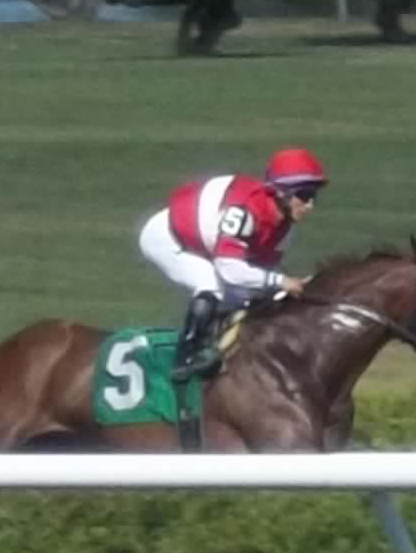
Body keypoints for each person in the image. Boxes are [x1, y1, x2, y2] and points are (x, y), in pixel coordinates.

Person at [141, 146, 329, 379]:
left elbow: (259, 272)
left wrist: (285, 287)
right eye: (304, 196)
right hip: (167, 238)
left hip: (207, 245)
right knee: (211, 285)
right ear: (281, 193)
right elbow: (229, 269)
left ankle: (218, 346)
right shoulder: (244, 212)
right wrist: (281, 281)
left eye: (313, 197)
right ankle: (185, 358)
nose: (310, 206)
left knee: (245, 297)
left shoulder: (284, 229)